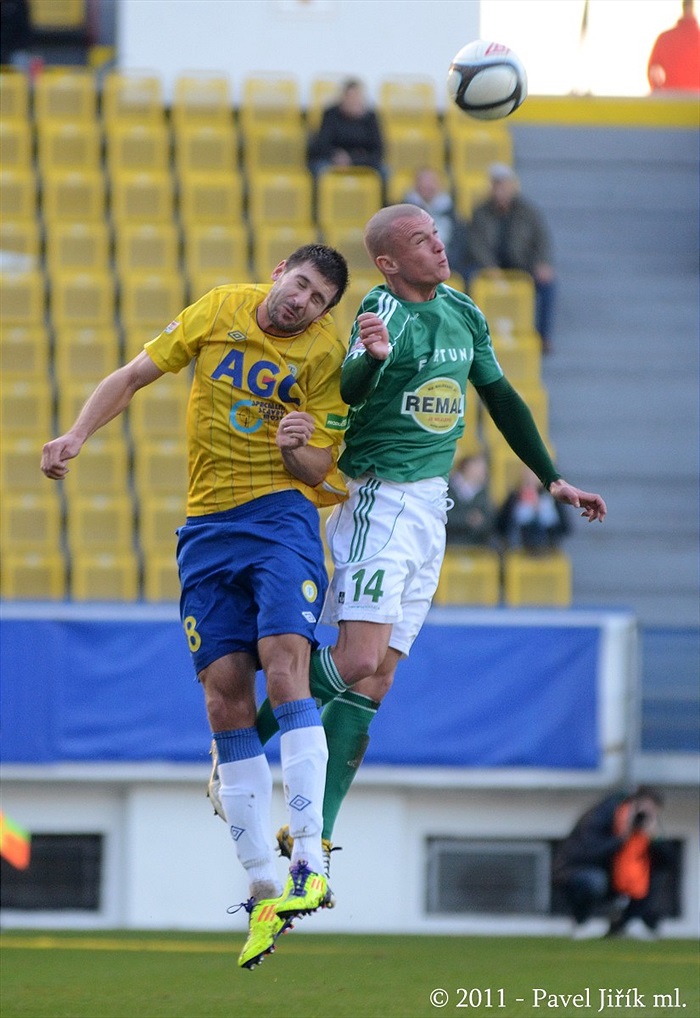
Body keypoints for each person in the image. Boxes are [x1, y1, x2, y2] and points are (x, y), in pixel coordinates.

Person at [241, 203, 606, 885]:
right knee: (356, 660)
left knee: (377, 680)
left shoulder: (463, 310)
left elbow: (500, 397)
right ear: (388, 262)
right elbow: (351, 384)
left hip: (430, 508)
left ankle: (312, 839)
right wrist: (374, 359)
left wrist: (551, 478)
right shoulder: (381, 313)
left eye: (435, 236)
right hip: (378, 498)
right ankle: (238, 746)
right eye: (420, 241)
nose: (438, 247)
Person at [41, 245, 351, 970]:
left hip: (280, 519)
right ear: (280, 273)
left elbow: (320, 469)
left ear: (324, 314)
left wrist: (297, 446)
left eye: (317, 300)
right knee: (224, 704)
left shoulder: (326, 356)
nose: (303, 302)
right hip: (206, 531)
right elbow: (134, 374)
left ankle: (310, 858)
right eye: (300, 285)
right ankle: (261, 888)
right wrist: (77, 433)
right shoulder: (219, 308)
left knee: (285, 668)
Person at [553, 787, 673, 940]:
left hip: (618, 877)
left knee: (651, 877)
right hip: (582, 870)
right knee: (594, 881)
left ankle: (623, 924)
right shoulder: (604, 815)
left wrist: (656, 839)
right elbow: (587, 852)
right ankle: (582, 922)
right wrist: (621, 838)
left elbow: (668, 862)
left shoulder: (645, 828)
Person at [467, 163, 557, 353]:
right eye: (497, 185)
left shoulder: (529, 211)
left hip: (522, 264)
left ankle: (542, 337)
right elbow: (476, 244)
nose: (501, 189)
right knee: (467, 280)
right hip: (489, 266)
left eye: (504, 184)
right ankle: (472, 334)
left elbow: (542, 239)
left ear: (513, 186)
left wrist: (543, 263)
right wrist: (488, 266)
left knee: (548, 284)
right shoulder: (480, 212)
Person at [308, 77, 385, 178]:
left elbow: (378, 151)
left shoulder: (370, 118)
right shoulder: (331, 114)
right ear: (343, 97)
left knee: (384, 171)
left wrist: (353, 159)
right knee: (320, 168)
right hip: (333, 160)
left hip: (362, 161)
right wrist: (336, 156)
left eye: (356, 97)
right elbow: (322, 144)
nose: (353, 101)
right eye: (350, 97)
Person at [402, 167, 471, 281]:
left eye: (432, 182)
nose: (428, 186)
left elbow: (459, 243)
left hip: (449, 266)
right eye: (424, 182)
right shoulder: (403, 211)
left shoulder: (452, 212)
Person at [495, 465, 571, 554]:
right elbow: (501, 526)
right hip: (518, 549)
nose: (530, 477)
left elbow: (565, 527)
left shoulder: (551, 498)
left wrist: (544, 512)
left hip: (547, 549)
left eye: (534, 473)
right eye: (528, 473)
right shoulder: (514, 498)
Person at [445, 451, 497, 547]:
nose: (483, 471)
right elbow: (445, 516)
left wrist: (480, 522)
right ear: (467, 467)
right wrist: (467, 520)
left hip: (477, 546)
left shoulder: (483, 493)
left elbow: (490, 520)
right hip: (450, 544)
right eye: (479, 467)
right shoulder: (448, 489)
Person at [648, 0, 700, 92]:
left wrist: (658, 92)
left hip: (672, 98)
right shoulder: (665, 38)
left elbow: (652, 68)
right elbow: (653, 68)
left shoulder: (665, 38)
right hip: (685, 99)